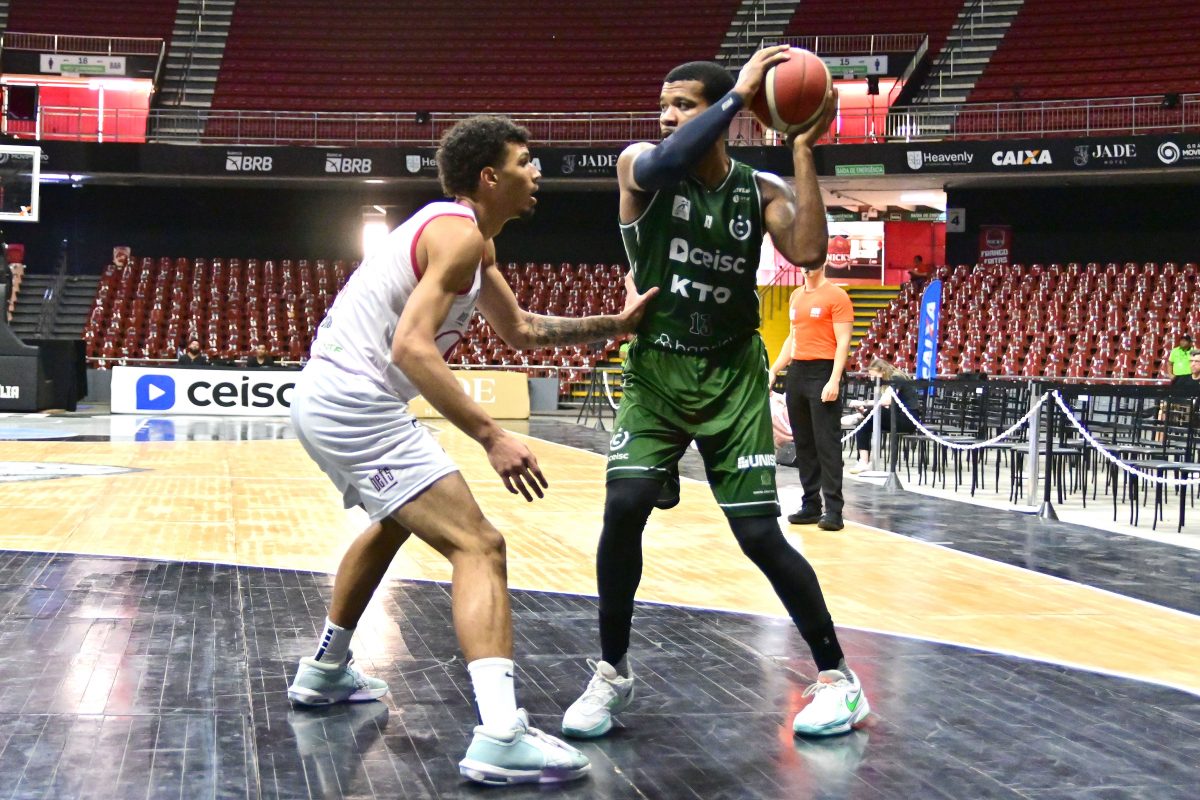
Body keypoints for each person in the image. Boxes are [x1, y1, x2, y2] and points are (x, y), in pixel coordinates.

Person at [286, 115, 657, 786]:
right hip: (354, 401)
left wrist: (618, 323)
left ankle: (325, 669)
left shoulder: (474, 243)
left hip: (331, 395)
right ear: (489, 176)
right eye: (524, 161)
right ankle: (501, 735)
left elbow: (522, 331)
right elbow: (411, 347)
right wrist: (491, 434)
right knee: (479, 546)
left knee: (395, 521)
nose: (536, 172)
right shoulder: (457, 235)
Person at [561, 48, 870, 742]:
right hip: (657, 371)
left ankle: (838, 677)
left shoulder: (759, 191)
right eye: (663, 106)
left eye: (683, 105)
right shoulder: (640, 165)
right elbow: (666, 162)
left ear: (722, 113)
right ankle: (611, 671)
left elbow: (810, 253)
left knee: (759, 535)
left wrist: (801, 148)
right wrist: (738, 97)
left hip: (731, 374)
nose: (666, 116)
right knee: (625, 504)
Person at [769, 255, 854, 530]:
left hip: (823, 371)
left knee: (826, 444)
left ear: (823, 262)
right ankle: (811, 505)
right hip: (798, 372)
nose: (806, 266)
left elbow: (843, 341)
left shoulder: (837, 296)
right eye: (803, 261)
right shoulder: (795, 296)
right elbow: (792, 337)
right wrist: (774, 369)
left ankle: (834, 511)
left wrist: (834, 379)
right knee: (803, 443)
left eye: (812, 260)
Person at [846, 357, 919, 473]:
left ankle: (858, 416)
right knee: (864, 425)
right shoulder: (885, 382)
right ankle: (863, 462)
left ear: (883, 371)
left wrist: (862, 403)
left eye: (874, 376)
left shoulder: (896, 378)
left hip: (907, 420)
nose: (873, 379)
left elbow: (886, 401)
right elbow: (883, 405)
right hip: (895, 416)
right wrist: (866, 409)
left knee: (872, 414)